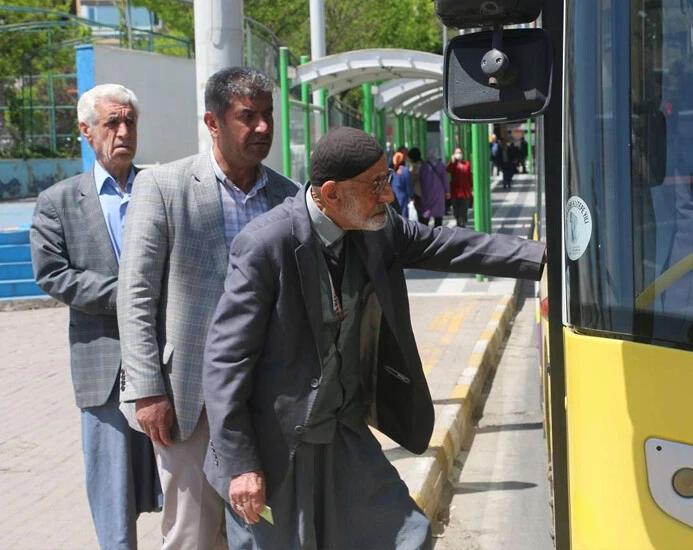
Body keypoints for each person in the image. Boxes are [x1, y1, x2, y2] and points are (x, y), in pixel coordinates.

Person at [202, 126, 547, 550]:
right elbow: (225, 363)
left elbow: (450, 245)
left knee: (408, 536)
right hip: (277, 450)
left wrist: (546, 259)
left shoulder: (377, 229)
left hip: (344, 435)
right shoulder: (264, 247)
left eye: (386, 181)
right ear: (330, 194)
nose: (388, 196)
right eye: (376, 185)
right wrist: (240, 465)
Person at [117, 67, 300, 549]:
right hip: (186, 399)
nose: (262, 127)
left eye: (267, 115)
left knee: (263, 530)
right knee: (192, 533)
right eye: (247, 116)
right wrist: (146, 389)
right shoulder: (163, 186)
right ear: (212, 122)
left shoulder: (288, 197)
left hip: (267, 396)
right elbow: (135, 293)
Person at [30, 83, 162, 550]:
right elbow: (53, 274)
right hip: (102, 364)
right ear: (87, 131)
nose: (123, 131)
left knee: (181, 485)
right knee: (112, 492)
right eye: (112, 123)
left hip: (168, 361)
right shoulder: (59, 202)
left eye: (130, 122)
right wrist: (129, 296)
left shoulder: (161, 188)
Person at [418, 150, 451, 226]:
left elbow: (421, 179)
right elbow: (445, 179)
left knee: (426, 212)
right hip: (439, 192)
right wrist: (447, 191)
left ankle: (425, 231)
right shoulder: (441, 166)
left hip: (427, 192)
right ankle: (438, 232)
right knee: (438, 214)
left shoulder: (424, 166)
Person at [446, 147, 473, 228]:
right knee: (456, 211)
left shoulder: (467, 164)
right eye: (457, 153)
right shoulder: (453, 164)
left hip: (465, 192)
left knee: (463, 210)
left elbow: (469, 176)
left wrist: (471, 187)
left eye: (460, 152)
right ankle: (459, 222)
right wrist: (452, 161)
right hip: (455, 192)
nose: (459, 154)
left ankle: (462, 224)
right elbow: (448, 170)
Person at [390, 151, 414, 219]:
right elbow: (409, 186)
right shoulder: (405, 171)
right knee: (403, 218)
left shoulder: (392, 171)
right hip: (403, 198)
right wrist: (411, 196)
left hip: (393, 197)